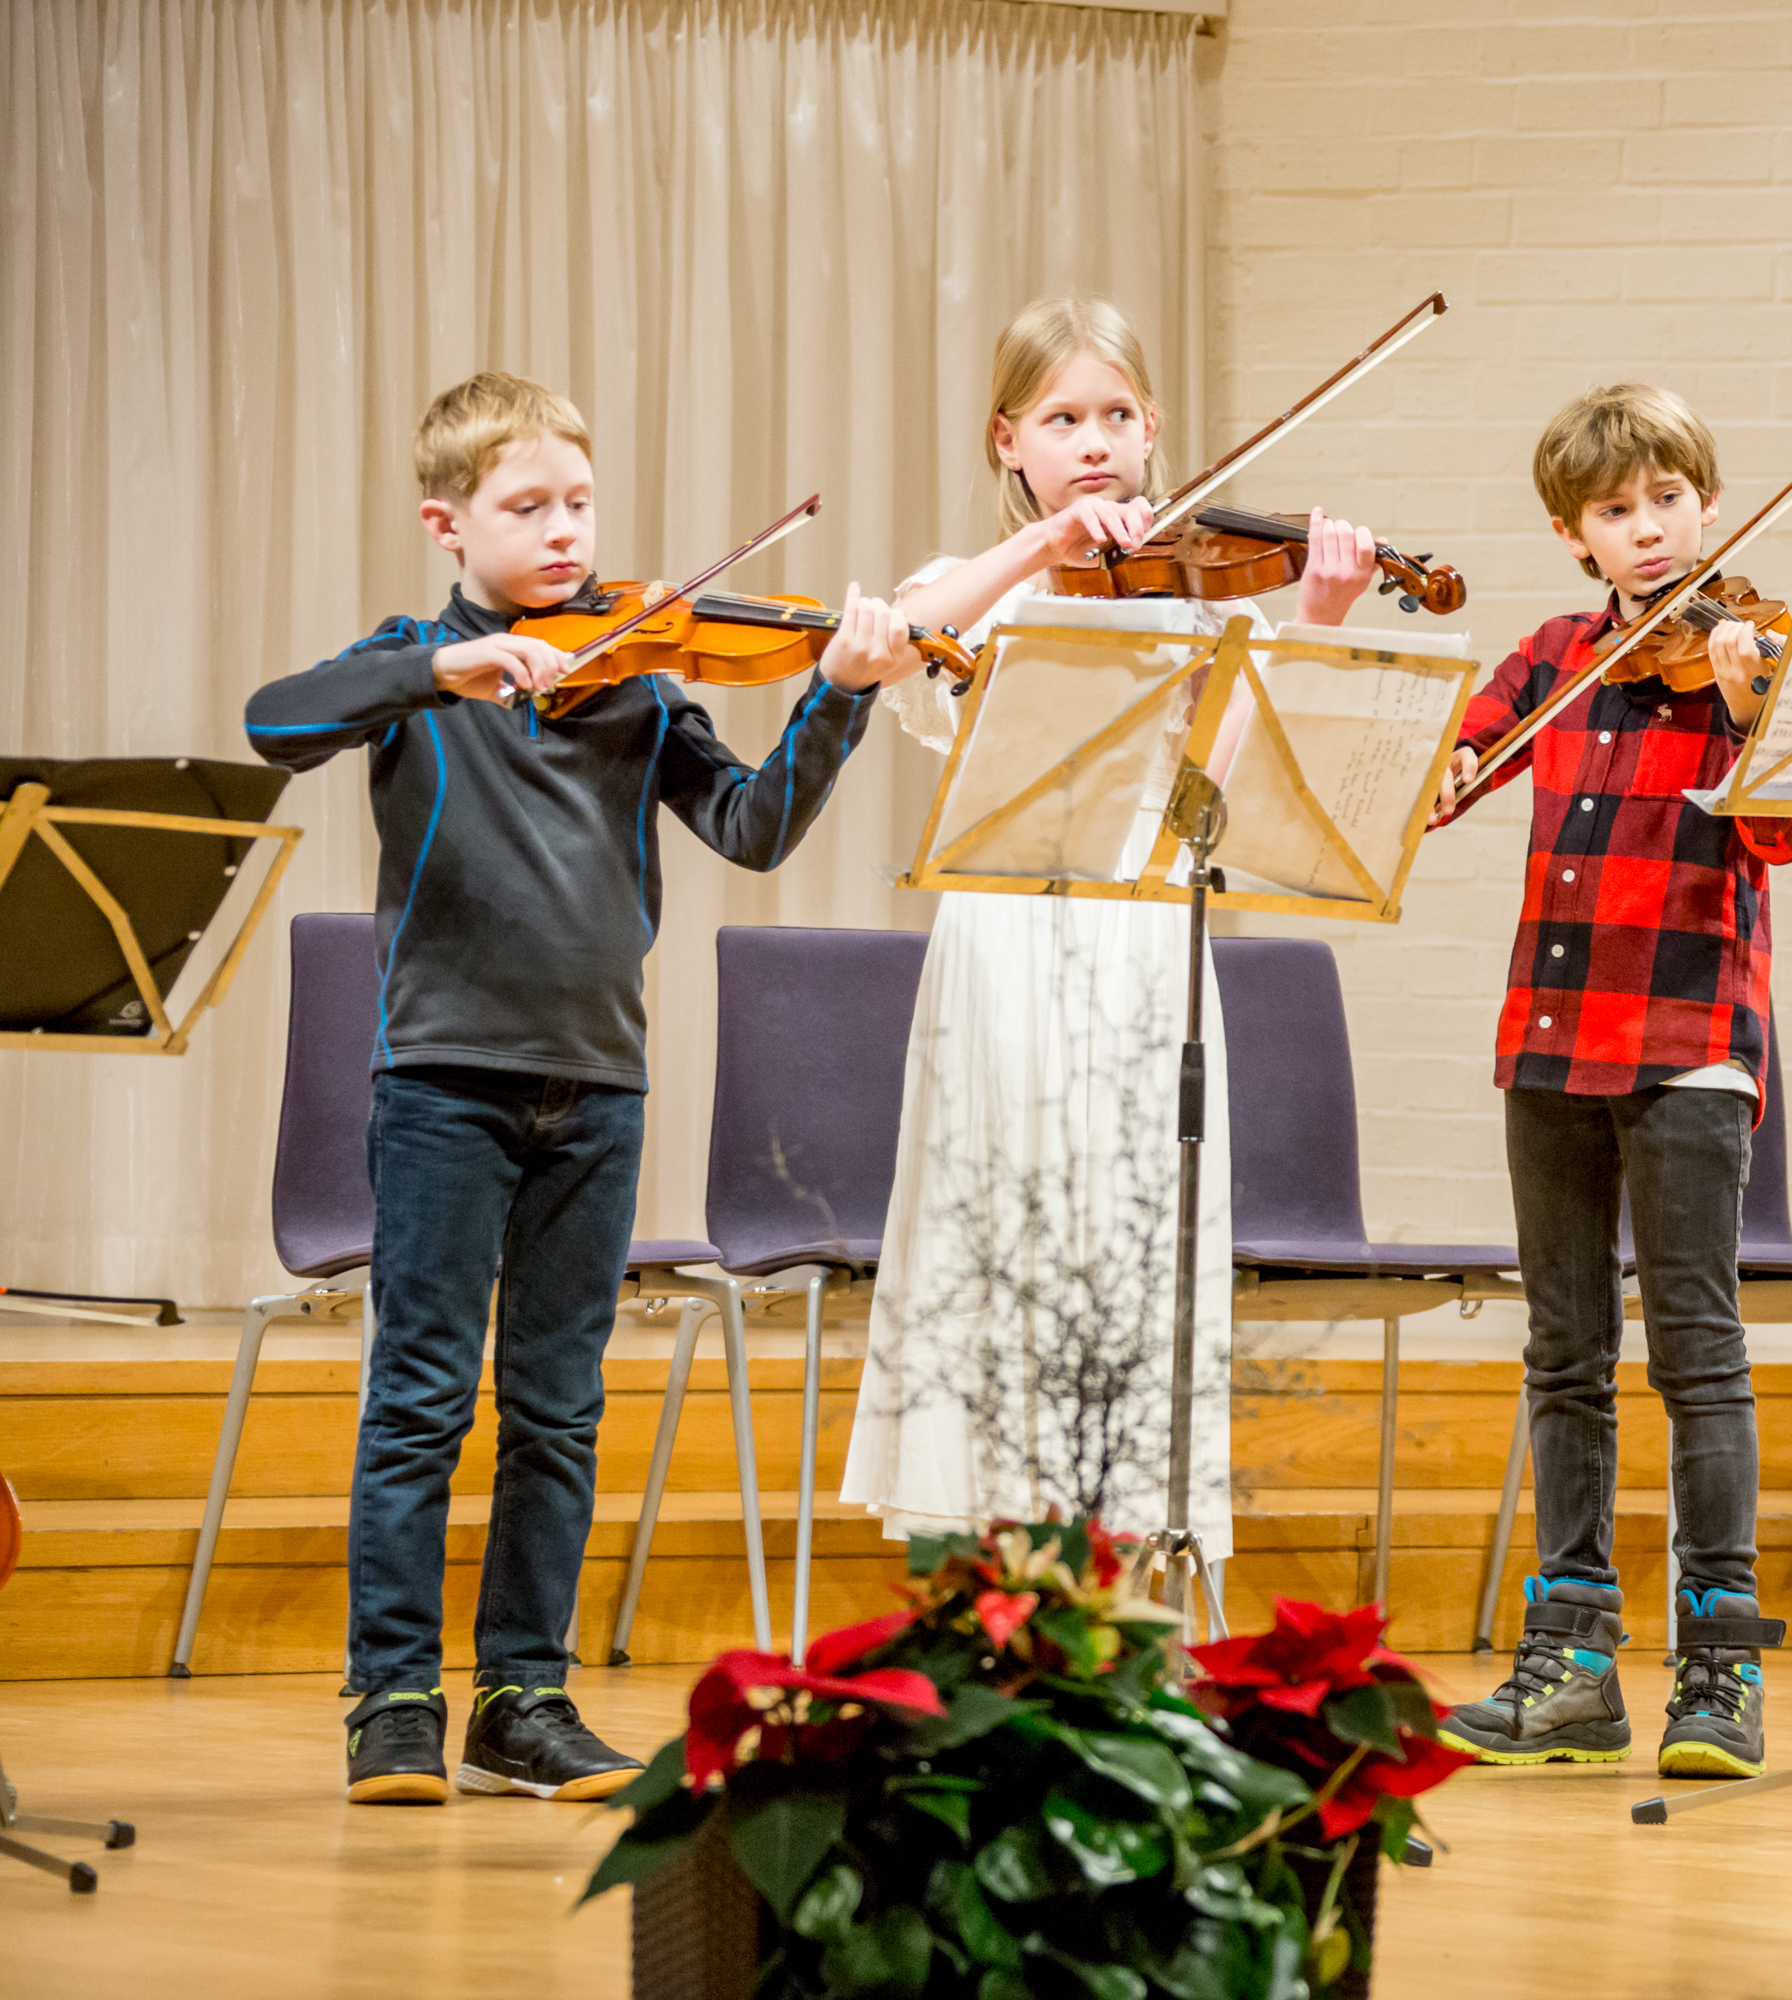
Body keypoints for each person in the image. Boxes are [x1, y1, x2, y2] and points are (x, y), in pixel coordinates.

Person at [244, 371, 921, 1805]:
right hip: (439, 1081)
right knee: (421, 1395)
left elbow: (750, 828)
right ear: (450, 523)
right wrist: (439, 673)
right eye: (526, 508)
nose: (564, 534)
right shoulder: (413, 662)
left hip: (598, 1085)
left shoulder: (641, 676)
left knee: (557, 1406)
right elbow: (274, 721)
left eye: (579, 504)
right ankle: (390, 1701)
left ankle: (524, 1699)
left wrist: (839, 699)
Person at [838, 298, 1380, 1563]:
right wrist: (1043, 555)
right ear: (1006, 442)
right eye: (1062, 419)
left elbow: (1221, 789)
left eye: (1118, 416)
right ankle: (993, 1570)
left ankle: (1127, 1574)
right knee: (1004, 1234)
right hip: (1007, 950)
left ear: (1155, 432)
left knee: (1139, 1240)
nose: (1094, 442)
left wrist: (1318, 620)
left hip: (1147, 947)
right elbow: (903, 649)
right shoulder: (967, 587)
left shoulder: (1198, 598)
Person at [1426, 383, 1792, 1780]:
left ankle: (1721, 1673)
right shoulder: (1551, 656)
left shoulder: (1750, 654)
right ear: (1574, 534)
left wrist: (1755, 691)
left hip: (1692, 1041)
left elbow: (1782, 828)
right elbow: (1459, 756)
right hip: (1550, 1037)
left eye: (1666, 500)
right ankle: (1573, 1663)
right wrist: (1454, 754)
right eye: (1615, 512)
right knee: (1563, 1355)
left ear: (1705, 499)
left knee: (1696, 1353)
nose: (1647, 530)